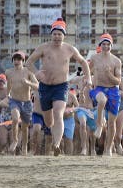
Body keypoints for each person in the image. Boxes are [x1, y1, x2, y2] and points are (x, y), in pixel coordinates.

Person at [25, 18, 93, 156]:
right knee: (49, 121)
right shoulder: (43, 47)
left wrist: (89, 78)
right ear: (51, 34)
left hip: (61, 87)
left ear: (64, 35)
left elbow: (84, 62)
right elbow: (29, 62)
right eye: (55, 34)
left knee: (58, 112)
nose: (57, 36)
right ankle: (51, 136)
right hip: (45, 87)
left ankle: (56, 145)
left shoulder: (70, 49)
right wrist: (37, 72)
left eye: (60, 34)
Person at [89, 33, 123, 155]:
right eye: (103, 44)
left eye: (108, 44)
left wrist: (109, 74)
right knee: (102, 100)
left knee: (111, 123)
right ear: (100, 45)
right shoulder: (94, 58)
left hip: (113, 90)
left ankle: (108, 149)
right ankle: (99, 124)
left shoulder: (116, 61)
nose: (106, 46)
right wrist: (87, 80)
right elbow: (87, 70)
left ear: (111, 46)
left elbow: (118, 81)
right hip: (99, 88)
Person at [4, 51, 38, 155]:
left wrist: (28, 83)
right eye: (15, 59)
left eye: (19, 59)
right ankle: (15, 140)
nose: (16, 61)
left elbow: (37, 86)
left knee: (24, 127)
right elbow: (9, 84)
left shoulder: (28, 72)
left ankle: (24, 147)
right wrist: (7, 94)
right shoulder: (8, 72)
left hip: (27, 103)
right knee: (14, 118)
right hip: (15, 101)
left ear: (23, 61)